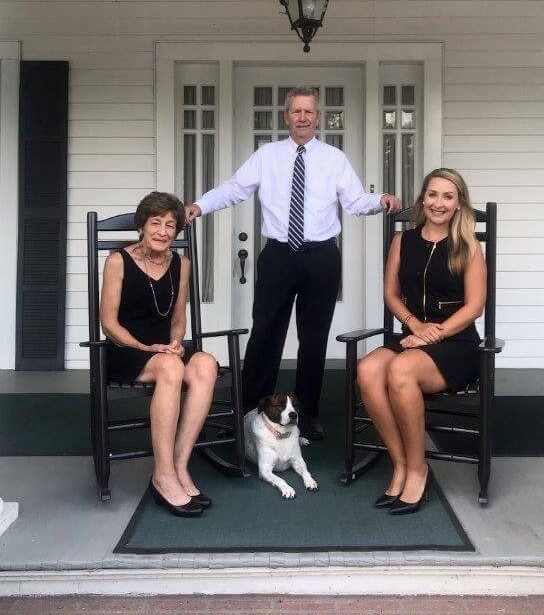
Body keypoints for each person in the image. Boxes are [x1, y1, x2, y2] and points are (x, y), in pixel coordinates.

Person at [185, 86, 401, 441]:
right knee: (265, 334)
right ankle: (252, 409)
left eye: (308, 112)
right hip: (279, 255)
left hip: (322, 257)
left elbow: (355, 201)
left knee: (314, 339)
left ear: (318, 118)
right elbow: (235, 188)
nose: (302, 117)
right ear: (286, 117)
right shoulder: (267, 155)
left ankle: (308, 414)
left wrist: (381, 200)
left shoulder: (334, 158)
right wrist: (200, 205)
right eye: (296, 111)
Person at [356, 168, 487, 515]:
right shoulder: (403, 241)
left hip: (456, 344)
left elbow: (475, 306)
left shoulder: (468, 247)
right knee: (368, 370)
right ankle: (401, 464)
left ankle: (418, 470)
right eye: (432, 195)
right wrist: (415, 325)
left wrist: (437, 332)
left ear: (459, 204)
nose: (438, 203)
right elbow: (390, 293)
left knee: (399, 371)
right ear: (422, 199)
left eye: (447, 196)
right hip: (414, 335)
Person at [100, 191, 218, 518]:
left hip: (165, 349)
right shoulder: (117, 261)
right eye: (156, 223)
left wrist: (177, 341)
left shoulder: (182, 264)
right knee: (169, 367)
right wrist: (145, 347)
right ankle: (162, 475)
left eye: (170, 225)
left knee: (206, 363)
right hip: (127, 349)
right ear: (141, 226)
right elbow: (108, 323)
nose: (163, 231)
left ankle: (179, 467)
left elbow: (178, 318)